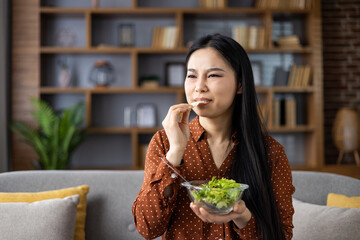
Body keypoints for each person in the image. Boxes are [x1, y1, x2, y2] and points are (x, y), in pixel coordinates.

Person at [132, 33, 295, 240]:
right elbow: (147, 227)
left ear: (240, 84)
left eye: (213, 75)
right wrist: (175, 152)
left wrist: (242, 216)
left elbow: (283, 235)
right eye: (192, 76)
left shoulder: (270, 152)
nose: (199, 86)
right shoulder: (164, 142)